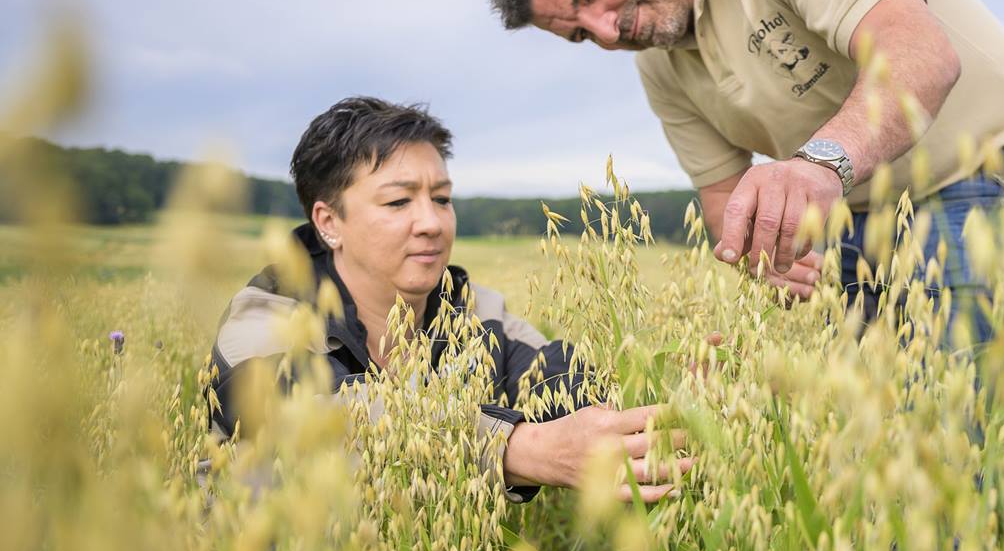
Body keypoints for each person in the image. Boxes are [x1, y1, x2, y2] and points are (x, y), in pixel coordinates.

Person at [488, 0, 1004, 350]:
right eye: (580, 35)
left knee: (957, 429)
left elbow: (921, 54)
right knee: (871, 440)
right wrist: (766, 258)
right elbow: (721, 193)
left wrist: (820, 166)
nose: (608, 33)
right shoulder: (657, 56)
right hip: (846, 216)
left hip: (975, 171)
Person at [207, 96, 689, 503]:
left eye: (441, 198)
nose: (432, 223)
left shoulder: (477, 312)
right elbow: (317, 423)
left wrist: (671, 394)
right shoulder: (264, 316)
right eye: (399, 202)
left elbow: (560, 385)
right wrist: (516, 449)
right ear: (329, 222)